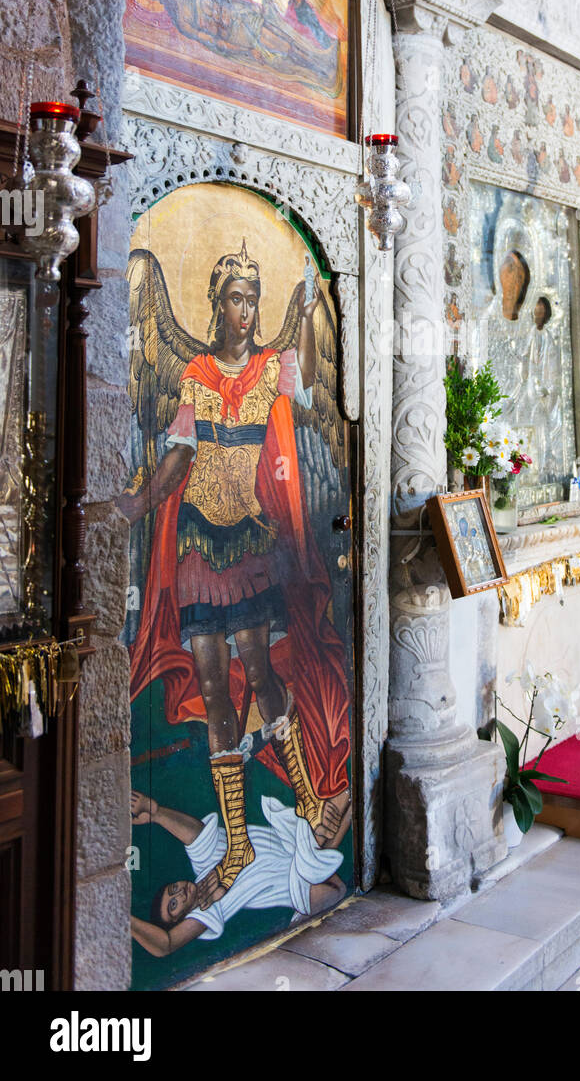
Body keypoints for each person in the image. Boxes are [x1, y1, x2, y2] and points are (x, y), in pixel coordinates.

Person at [119, 243, 351, 881]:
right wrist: (137, 503)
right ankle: (238, 842)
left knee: (262, 678)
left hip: (248, 544)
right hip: (199, 547)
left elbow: (306, 379)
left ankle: (305, 798)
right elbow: (178, 456)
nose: (245, 309)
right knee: (216, 688)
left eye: (253, 297)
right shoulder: (193, 372)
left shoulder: (271, 366)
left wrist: (304, 319)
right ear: (218, 304)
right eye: (234, 297)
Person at [129, 785, 345, 958]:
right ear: (180, 918)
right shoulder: (206, 909)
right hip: (299, 884)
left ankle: (320, 852)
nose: (179, 893)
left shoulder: (204, 863)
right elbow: (166, 944)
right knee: (332, 881)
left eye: (173, 888)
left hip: (293, 841)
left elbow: (192, 833)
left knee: (337, 804)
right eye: (173, 905)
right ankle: (318, 855)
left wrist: (157, 813)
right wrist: (124, 919)